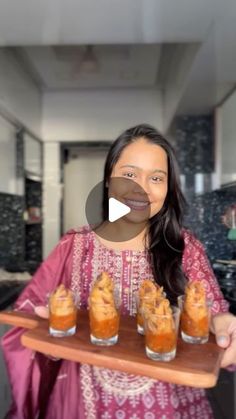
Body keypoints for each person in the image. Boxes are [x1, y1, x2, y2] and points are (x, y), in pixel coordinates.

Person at [1, 123, 236, 419]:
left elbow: (213, 316)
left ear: (168, 188)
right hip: (82, 402)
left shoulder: (185, 247)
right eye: (129, 174)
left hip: (174, 406)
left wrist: (224, 325)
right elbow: (25, 320)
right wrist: (47, 333)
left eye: (156, 177)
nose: (142, 187)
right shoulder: (73, 246)